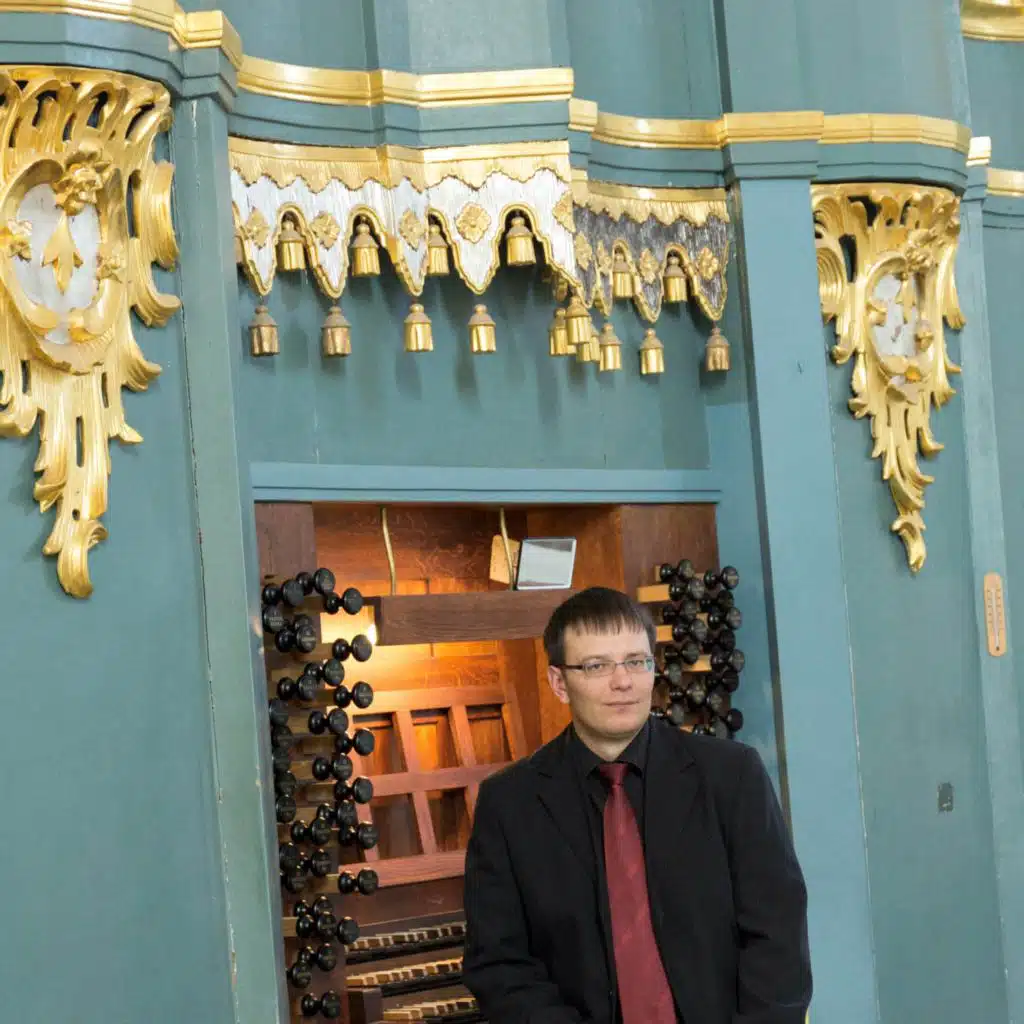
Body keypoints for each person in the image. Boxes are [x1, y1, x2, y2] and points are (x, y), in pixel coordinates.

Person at [462, 586, 812, 1024]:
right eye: (597, 666)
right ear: (559, 683)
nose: (623, 681)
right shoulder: (509, 804)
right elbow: (499, 964)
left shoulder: (731, 775)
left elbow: (778, 933)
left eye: (636, 661)